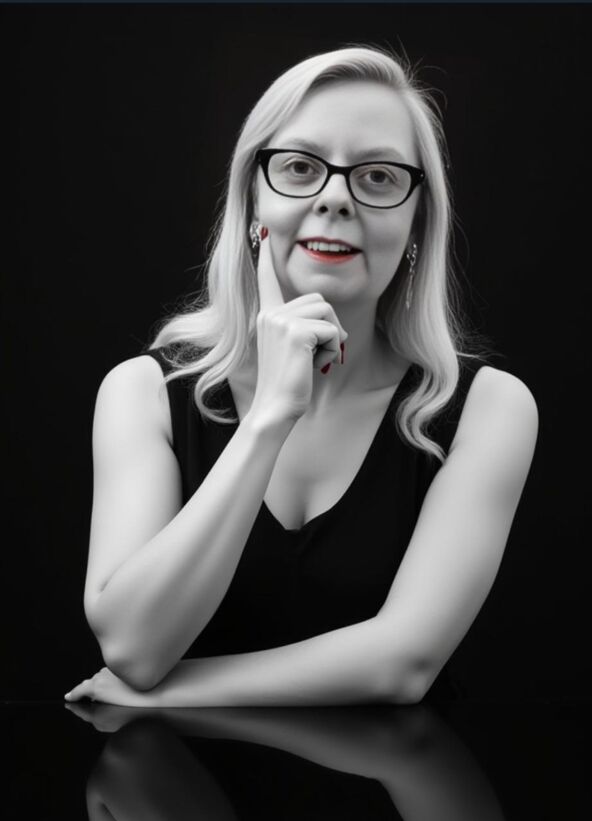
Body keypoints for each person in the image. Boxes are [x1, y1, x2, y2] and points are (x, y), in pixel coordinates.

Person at [64, 46, 538, 708]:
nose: (335, 198)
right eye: (299, 167)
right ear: (252, 204)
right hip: (171, 777)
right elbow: (132, 648)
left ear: (416, 223)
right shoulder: (140, 394)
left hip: (393, 773)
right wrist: (268, 418)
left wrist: (168, 696)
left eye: (378, 177)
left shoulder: (488, 409)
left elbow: (403, 663)